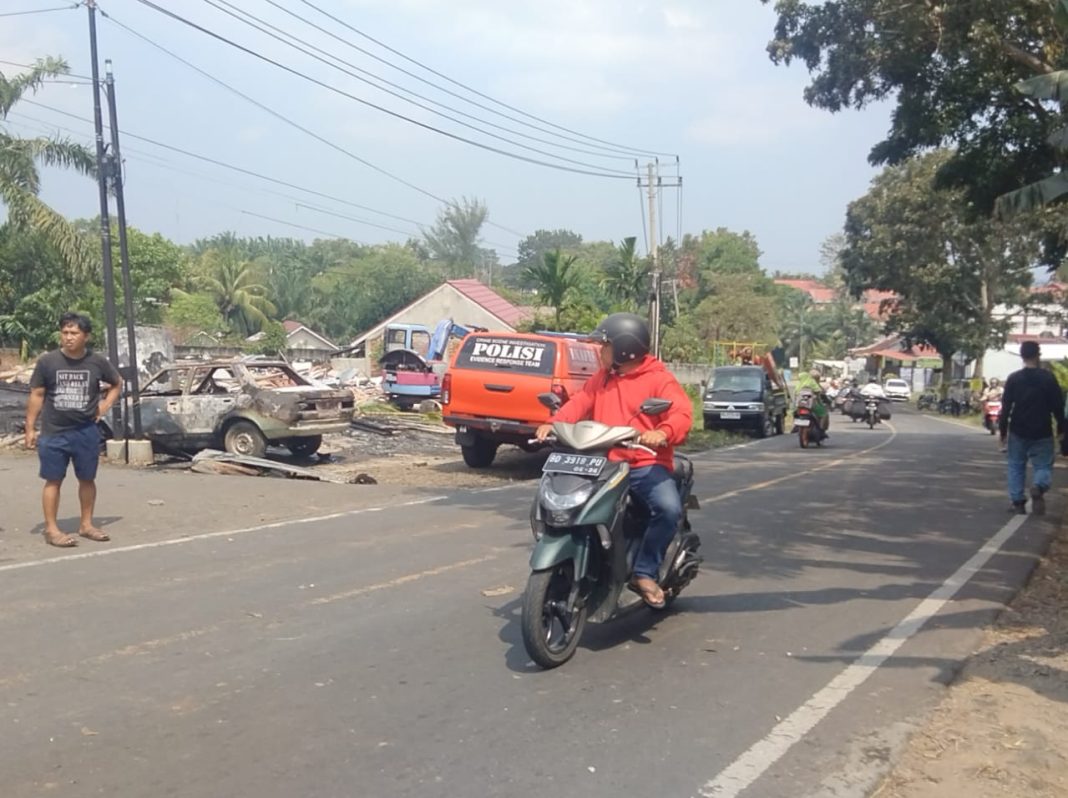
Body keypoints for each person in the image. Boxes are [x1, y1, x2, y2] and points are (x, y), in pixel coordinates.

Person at [534, 313, 692, 609]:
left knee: (668, 510)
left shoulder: (659, 380)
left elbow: (682, 414)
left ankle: (644, 572)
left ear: (623, 348)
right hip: (602, 465)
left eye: (603, 346)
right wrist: (554, 423)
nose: (599, 352)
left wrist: (662, 432)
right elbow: (579, 404)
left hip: (644, 466)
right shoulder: (603, 378)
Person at [25, 312, 122, 547]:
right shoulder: (48, 362)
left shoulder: (97, 362)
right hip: (54, 432)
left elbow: (117, 383)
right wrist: (30, 428)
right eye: (65, 332)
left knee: (87, 479)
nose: (68, 337)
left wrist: (104, 405)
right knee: (53, 480)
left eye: (74, 333)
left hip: (86, 431)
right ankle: (51, 529)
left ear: (85, 336)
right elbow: (37, 394)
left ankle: (86, 524)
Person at [998, 341, 1065, 516]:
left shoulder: (1014, 378)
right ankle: (1039, 486)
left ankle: (1018, 502)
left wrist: (1003, 431)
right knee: (1043, 465)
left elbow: (1005, 408)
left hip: (1018, 429)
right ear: (1038, 355)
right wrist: (1061, 429)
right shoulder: (1048, 378)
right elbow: (1058, 405)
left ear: (1022, 356)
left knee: (1016, 465)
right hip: (1042, 429)